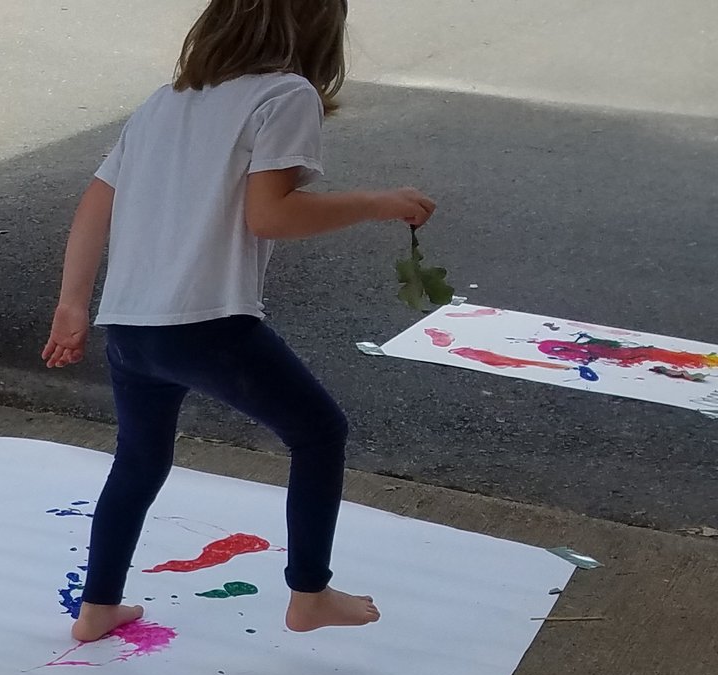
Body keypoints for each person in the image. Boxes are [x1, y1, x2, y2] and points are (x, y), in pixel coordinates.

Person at [41, 0, 434, 641]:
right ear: (319, 30)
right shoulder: (287, 95)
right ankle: (309, 592)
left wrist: (73, 303)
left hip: (130, 328)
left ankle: (97, 607)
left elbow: (95, 201)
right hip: (208, 323)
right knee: (318, 432)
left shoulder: (162, 103)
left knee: (139, 459)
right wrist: (376, 203)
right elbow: (270, 215)